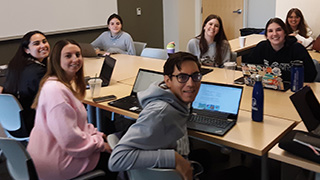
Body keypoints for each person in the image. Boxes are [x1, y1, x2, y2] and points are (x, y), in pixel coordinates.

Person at [27, 39, 117, 180]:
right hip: (58, 163)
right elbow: (70, 141)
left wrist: (96, 134)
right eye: (68, 56)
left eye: (78, 54)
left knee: (109, 142)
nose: (75, 59)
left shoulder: (54, 83)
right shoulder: (56, 92)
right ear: (57, 60)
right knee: (117, 160)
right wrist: (100, 144)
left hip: (49, 153)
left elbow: (75, 125)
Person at [108, 52, 202, 180]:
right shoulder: (160, 113)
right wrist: (174, 158)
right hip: (164, 175)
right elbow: (117, 159)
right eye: (182, 77)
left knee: (205, 155)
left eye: (195, 76)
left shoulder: (176, 100)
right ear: (168, 80)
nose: (191, 84)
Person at [2, 30, 50, 137]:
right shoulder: (38, 72)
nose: (43, 46)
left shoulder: (15, 66)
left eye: (44, 41)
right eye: (37, 44)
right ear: (27, 50)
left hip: (12, 124)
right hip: (32, 124)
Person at [245, 18, 317, 82]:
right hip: (267, 88)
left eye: (278, 30)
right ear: (266, 35)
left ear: (285, 32)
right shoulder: (261, 47)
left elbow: (311, 75)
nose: (275, 34)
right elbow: (249, 69)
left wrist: (279, 75)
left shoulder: (297, 48)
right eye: (270, 31)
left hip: (291, 88)